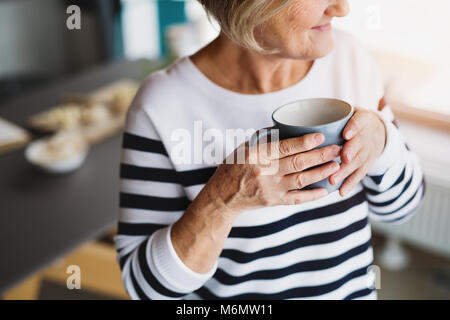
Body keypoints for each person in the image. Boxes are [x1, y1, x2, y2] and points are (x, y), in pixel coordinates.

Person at [114, 0, 424, 300]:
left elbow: (402, 209)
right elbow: (145, 289)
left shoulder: (350, 58)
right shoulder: (161, 106)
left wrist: (383, 142)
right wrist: (222, 201)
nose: (342, 8)